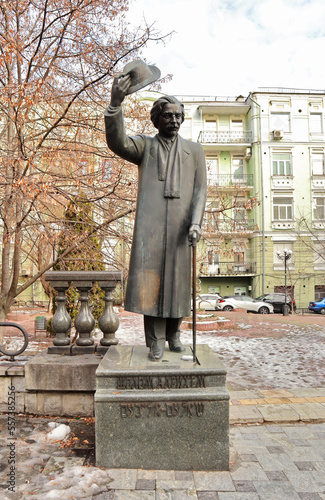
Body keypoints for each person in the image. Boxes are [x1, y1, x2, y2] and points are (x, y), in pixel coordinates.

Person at [105, 74, 207, 360]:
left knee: (178, 284)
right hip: (150, 227)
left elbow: (200, 191)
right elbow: (118, 142)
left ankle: (174, 334)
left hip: (181, 227)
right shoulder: (146, 147)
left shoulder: (195, 151)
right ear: (156, 119)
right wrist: (116, 104)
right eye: (168, 116)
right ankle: (156, 340)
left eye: (178, 116)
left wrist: (196, 223)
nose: (174, 121)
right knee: (152, 285)